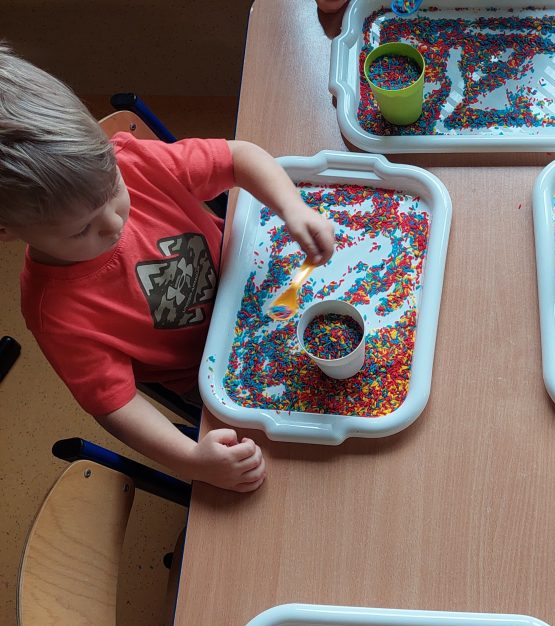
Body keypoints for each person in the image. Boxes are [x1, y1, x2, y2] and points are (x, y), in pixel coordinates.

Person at [0, 42, 336, 492]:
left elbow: (239, 158)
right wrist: (192, 459)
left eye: (113, 190)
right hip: (210, 371)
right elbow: (116, 406)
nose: (114, 223)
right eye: (81, 230)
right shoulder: (56, 314)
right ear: (6, 230)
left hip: (251, 277)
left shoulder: (131, 161)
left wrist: (293, 208)